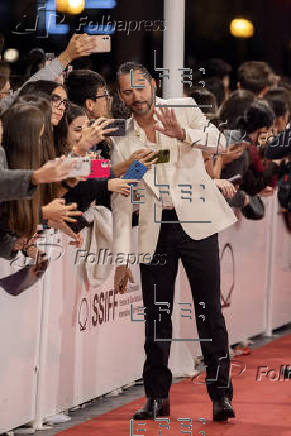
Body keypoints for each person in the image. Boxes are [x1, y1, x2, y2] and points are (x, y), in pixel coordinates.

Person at [111, 61, 237, 422]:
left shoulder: (182, 107)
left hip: (197, 222)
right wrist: (122, 258)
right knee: (156, 316)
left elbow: (220, 143)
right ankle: (156, 397)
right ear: (121, 96)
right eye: (126, 92)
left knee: (209, 312)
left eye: (140, 88)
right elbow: (123, 198)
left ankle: (221, 395)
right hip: (155, 231)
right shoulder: (123, 137)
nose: (135, 97)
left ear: (152, 84)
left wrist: (182, 134)